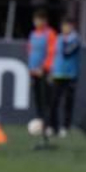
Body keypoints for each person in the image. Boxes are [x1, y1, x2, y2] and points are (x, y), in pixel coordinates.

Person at [26, 8, 58, 144]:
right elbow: (30, 52)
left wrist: (44, 68)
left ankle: (50, 125)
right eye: (35, 20)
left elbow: (52, 53)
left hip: (45, 72)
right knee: (38, 99)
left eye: (39, 20)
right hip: (34, 72)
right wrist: (32, 69)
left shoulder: (50, 34)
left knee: (48, 100)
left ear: (45, 21)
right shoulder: (33, 34)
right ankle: (40, 124)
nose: (37, 22)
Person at [50, 14, 82, 137]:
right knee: (54, 102)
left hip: (70, 75)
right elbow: (55, 56)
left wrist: (64, 40)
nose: (64, 28)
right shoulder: (59, 38)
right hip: (58, 74)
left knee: (68, 103)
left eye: (67, 26)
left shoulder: (75, 40)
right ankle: (53, 127)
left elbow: (67, 53)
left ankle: (65, 127)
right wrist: (52, 71)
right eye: (63, 26)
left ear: (72, 26)